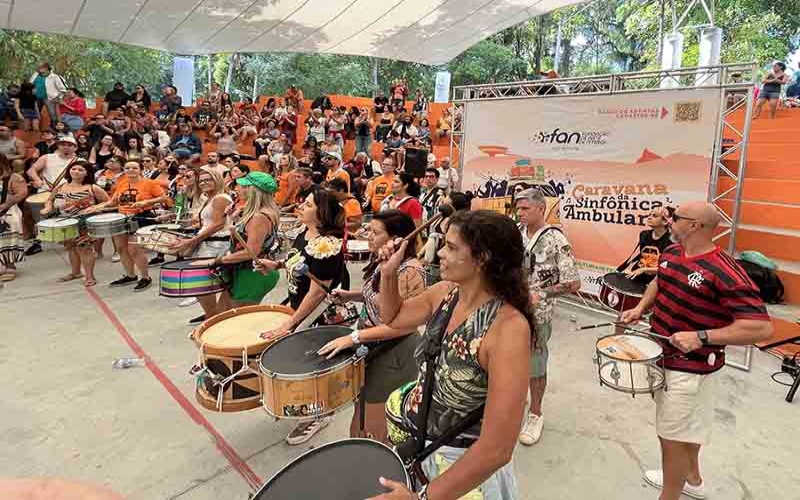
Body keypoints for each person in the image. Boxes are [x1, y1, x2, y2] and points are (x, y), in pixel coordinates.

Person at [367, 210, 532, 500]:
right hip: (424, 450)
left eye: (452, 247)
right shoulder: (446, 293)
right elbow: (393, 316)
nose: (440, 253)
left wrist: (422, 498)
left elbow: (497, 449)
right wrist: (389, 272)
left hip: (461, 471)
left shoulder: (508, 329)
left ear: (482, 258)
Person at [620, 201, 772, 500]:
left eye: (674, 217)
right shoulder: (672, 252)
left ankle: (670, 493)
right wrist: (640, 308)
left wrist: (702, 336)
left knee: (671, 436)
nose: (668, 219)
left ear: (695, 226)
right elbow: (659, 283)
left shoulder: (725, 270)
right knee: (686, 427)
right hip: (663, 355)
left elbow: (761, 328)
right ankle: (692, 477)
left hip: (691, 367)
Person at [318, 210, 425, 442]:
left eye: (376, 233)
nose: (369, 236)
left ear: (396, 239)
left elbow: (405, 325)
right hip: (369, 342)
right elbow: (378, 297)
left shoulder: (410, 271)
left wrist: (355, 337)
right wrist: (350, 295)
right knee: (360, 409)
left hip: (393, 352)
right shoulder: (383, 260)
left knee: (373, 425)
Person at [255, 188, 346, 445]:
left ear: (321, 213)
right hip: (300, 305)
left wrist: (290, 323)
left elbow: (317, 293)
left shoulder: (328, 245)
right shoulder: (303, 234)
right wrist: (277, 264)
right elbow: (298, 260)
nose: (301, 206)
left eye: (307, 204)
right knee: (302, 360)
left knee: (312, 366)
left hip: (318, 313)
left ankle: (319, 415)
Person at [514, 188, 581, 446]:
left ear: (541, 209)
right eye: (518, 209)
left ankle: (536, 413)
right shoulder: (517, 234)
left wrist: (540, 294)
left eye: (525, 209)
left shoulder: (555, 240)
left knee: (536, 365)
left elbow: (573, 283)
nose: (519, 213)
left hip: (537, 316)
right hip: (511, 308)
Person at [192, 171, 281, 323]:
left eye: (242, 186)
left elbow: (251, 252)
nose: (237, 189)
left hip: (253, 274)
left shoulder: (259, 217)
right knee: (220, 317)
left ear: (253, 190)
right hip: (245, 271)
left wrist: (216, 261)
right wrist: (235, 218)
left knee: (234, 323)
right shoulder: (254, 213)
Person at [85, 160, 168, 291]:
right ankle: (130, 275)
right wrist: (96, 207)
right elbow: (113, 202)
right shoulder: (122, 183)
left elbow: (163, 198)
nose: (131, 170)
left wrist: (145, 202)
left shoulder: (149, 183)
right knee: (121, 249)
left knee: (134, 250)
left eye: (134, 168)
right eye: (128, 167)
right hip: (122, 217)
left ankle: (145, 277)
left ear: (140, 169)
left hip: (140, 218)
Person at [170, 168, 233, 323]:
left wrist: (192, 241)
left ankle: (213, 317)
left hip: (216, 245)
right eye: (201, 180)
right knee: (203, 287)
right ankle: (211, 315)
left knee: (204, 286)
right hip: (208, 244)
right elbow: (210, 222)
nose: (204, 183)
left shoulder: (219, 198)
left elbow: (219, 225)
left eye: (208, 179)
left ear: (217, 180)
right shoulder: (210, 198)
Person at [43, 161, 109, 287]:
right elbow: (50, 199)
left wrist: (94, 208)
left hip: (85, 221)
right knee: (71, 247)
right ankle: (76, 272)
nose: (76, 171)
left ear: (87, 173)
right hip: (65, 221)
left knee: (84, 249)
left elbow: (108, 202)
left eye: (80, 170)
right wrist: (47, 207)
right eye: (74, 169)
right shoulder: (61, 186)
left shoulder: (92, 188)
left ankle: (90, 276)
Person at [617, 206, 674, 285]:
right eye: (649, 215)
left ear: (665, 222)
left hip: (656, 280)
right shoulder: (644, 234)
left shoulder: (672, 240)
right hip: (639, 274)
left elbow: (668, 268)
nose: (649, 218)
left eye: (654, 216)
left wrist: (644, 270)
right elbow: (641, 256)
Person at [0, 153, 28, 282]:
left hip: (8, 211)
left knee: (8, 240)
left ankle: (10, 266)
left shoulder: (13, 177)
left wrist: (5, 205)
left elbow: (21, 193)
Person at [30, 62, 67, 128]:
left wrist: (58, 97)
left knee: (53, 114)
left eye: (40, 67)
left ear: (46, 68)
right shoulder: (35, 75)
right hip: (35, 98)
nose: (38, 69)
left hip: (49, 98)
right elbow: (29, 85)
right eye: (38, 67)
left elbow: (63, 89)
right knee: (34, 114)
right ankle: (34, 130)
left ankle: (54, 129)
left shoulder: (54, 77)